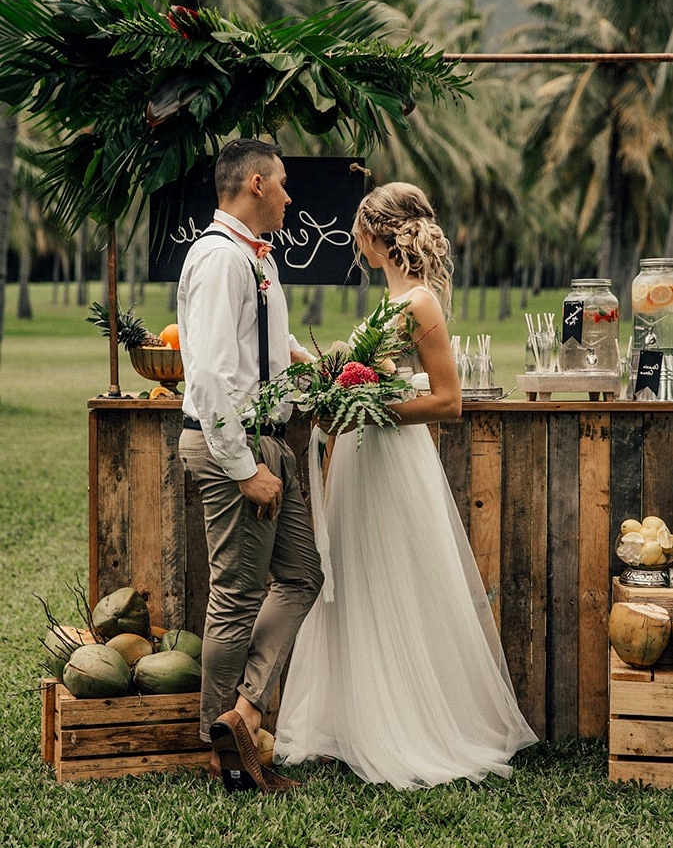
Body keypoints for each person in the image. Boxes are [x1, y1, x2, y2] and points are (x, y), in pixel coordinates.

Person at [273, 182, 537, 789]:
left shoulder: (419, 302)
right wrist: (322, 378)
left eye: (358, 231)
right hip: (366, 460)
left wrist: (367, 408)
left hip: (394, 460)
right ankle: (353, 718)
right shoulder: (393, 300)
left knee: (396, 577)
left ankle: (409, 724)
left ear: (374, 235)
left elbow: (448, 401)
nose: (355, 241)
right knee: (359, 580)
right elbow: (377, 378)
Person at [177, 138, 324, 794]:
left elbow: (254, 344)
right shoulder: (217, 258)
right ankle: (220, 748)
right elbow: (207, 370)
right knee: (236, 594)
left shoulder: (252, 258)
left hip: (268, 438)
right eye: (285, 185)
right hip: (233, 444)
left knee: (300, 575)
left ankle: (243, 712)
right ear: (257, 183)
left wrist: (310, 358)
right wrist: (241, 467)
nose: (292, 198)